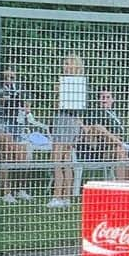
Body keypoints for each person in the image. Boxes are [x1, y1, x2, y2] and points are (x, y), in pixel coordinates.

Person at [49, 53, 86, 208]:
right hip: (69, 120)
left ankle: (58, 196)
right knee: (67, 160)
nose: (65, 66)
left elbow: (59, 103)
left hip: (66, 120)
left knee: (57, 159)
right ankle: (66, 197)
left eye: (68, 63)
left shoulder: (71, 84)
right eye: (64, 63)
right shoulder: (79, 84)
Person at [0, 67, 35, 204]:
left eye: (12, 77)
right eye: (7, 77)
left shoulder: (20, 89)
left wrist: (25, 107)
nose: (9, 80)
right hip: (2, 125)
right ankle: (6, 192)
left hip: (17, 126)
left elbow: (26, 106)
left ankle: (20, 189)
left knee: (23, 156)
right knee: (6, 153)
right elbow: (0, 104)